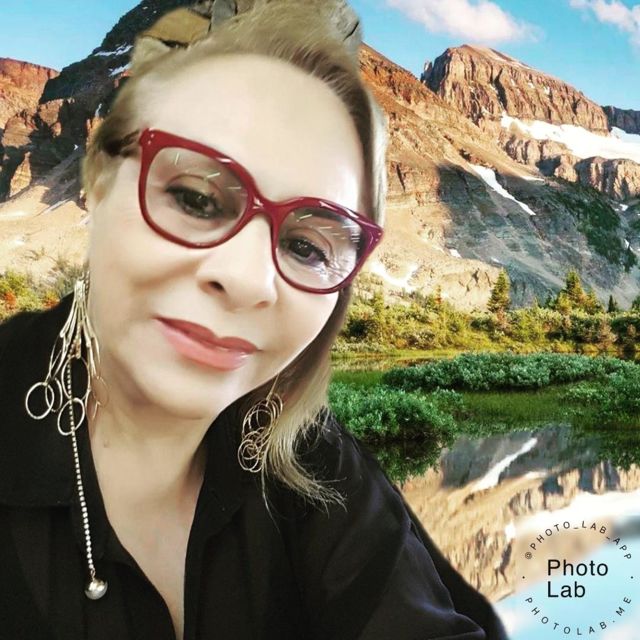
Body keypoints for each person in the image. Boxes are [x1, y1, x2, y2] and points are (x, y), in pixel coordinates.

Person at [0, 1, 509, 639]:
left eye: (307, 246)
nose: (247, 279)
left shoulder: (311, 461)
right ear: (97, 182)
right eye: (195, 198)